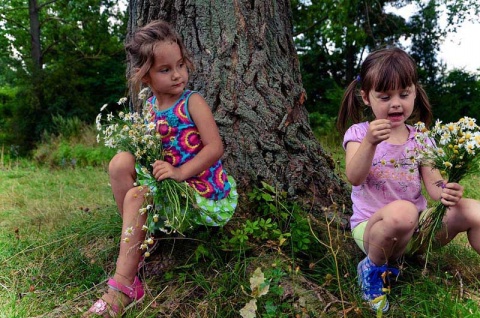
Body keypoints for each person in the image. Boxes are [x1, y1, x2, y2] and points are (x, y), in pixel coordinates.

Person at [84, 20, 238, 317]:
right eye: (165, 70)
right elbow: (153, 150)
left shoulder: (192, 102)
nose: (178, 74)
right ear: (146, 77)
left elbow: (215, 148)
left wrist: (180, 172)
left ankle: (124, 287)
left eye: (180, 64)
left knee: (136, 197)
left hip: (197, 186)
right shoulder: (150, 106)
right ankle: (137, 245)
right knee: (119, 162)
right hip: (165, 177)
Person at [336, 47, 480, 313]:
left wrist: (447, 191)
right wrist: (370, 142)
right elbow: (354, 177)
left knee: (475, 210)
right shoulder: (359, 133)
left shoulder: (421, 138)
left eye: (404, 94)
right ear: (366, 98)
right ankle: (374, 270)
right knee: (403, 211)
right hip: (374, 230)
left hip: (417, 231)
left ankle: (403, 258)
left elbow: (435, 186)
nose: (396, 103)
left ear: (415, 92)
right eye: (385, 96)